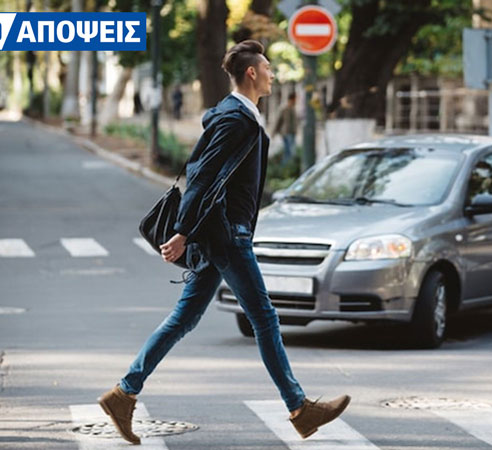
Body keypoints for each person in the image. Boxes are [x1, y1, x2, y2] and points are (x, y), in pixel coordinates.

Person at [97, 40, 350, 446]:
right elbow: (202, 176)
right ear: (252, 72)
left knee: (184, 318)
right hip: (228, 235)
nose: (272, 74)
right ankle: (300, 409)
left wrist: (191, 231)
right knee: (264, 318)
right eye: (267, 67)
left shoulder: (240, 115)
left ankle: (123, 394)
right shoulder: (235, 119)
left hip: (222, 233)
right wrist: (182, 232)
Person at [272, 92, 297, 166]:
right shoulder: (284, 109)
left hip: (292, 133)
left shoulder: (293, 109)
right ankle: (285, 166)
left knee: (290, 151)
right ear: (291, 100)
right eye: (294, 100)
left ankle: (288, 166)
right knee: (289, 151)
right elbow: (279, 121)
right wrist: (274, 132)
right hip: (286, 133)